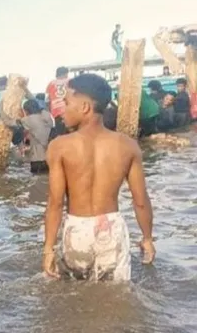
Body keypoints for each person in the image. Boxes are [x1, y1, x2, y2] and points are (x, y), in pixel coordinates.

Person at [42, 73, 155, 281]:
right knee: (117, 296)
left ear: (85, 107)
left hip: (77, 230)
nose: (61, 111)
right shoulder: (128, 145)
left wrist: (48, 249)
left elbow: (55, 203)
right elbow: (140, 201)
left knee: (77, 297)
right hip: (112, 229)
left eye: (66, 103)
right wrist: (147, 238)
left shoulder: (59, 146)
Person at [19, 99, 53, 174]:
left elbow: (10, 122)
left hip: (36, 161)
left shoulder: (27, 120)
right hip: (49, 159)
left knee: (37, 182)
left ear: (26, 110)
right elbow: (29, 137)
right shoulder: (47, 117)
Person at [45, 66, 70, 137]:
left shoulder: (51, 84)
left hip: (57, 113)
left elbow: (47, 100)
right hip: (69, 110)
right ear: (65, 73)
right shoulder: (70, 81)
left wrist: (50, 111)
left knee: (60, 134)